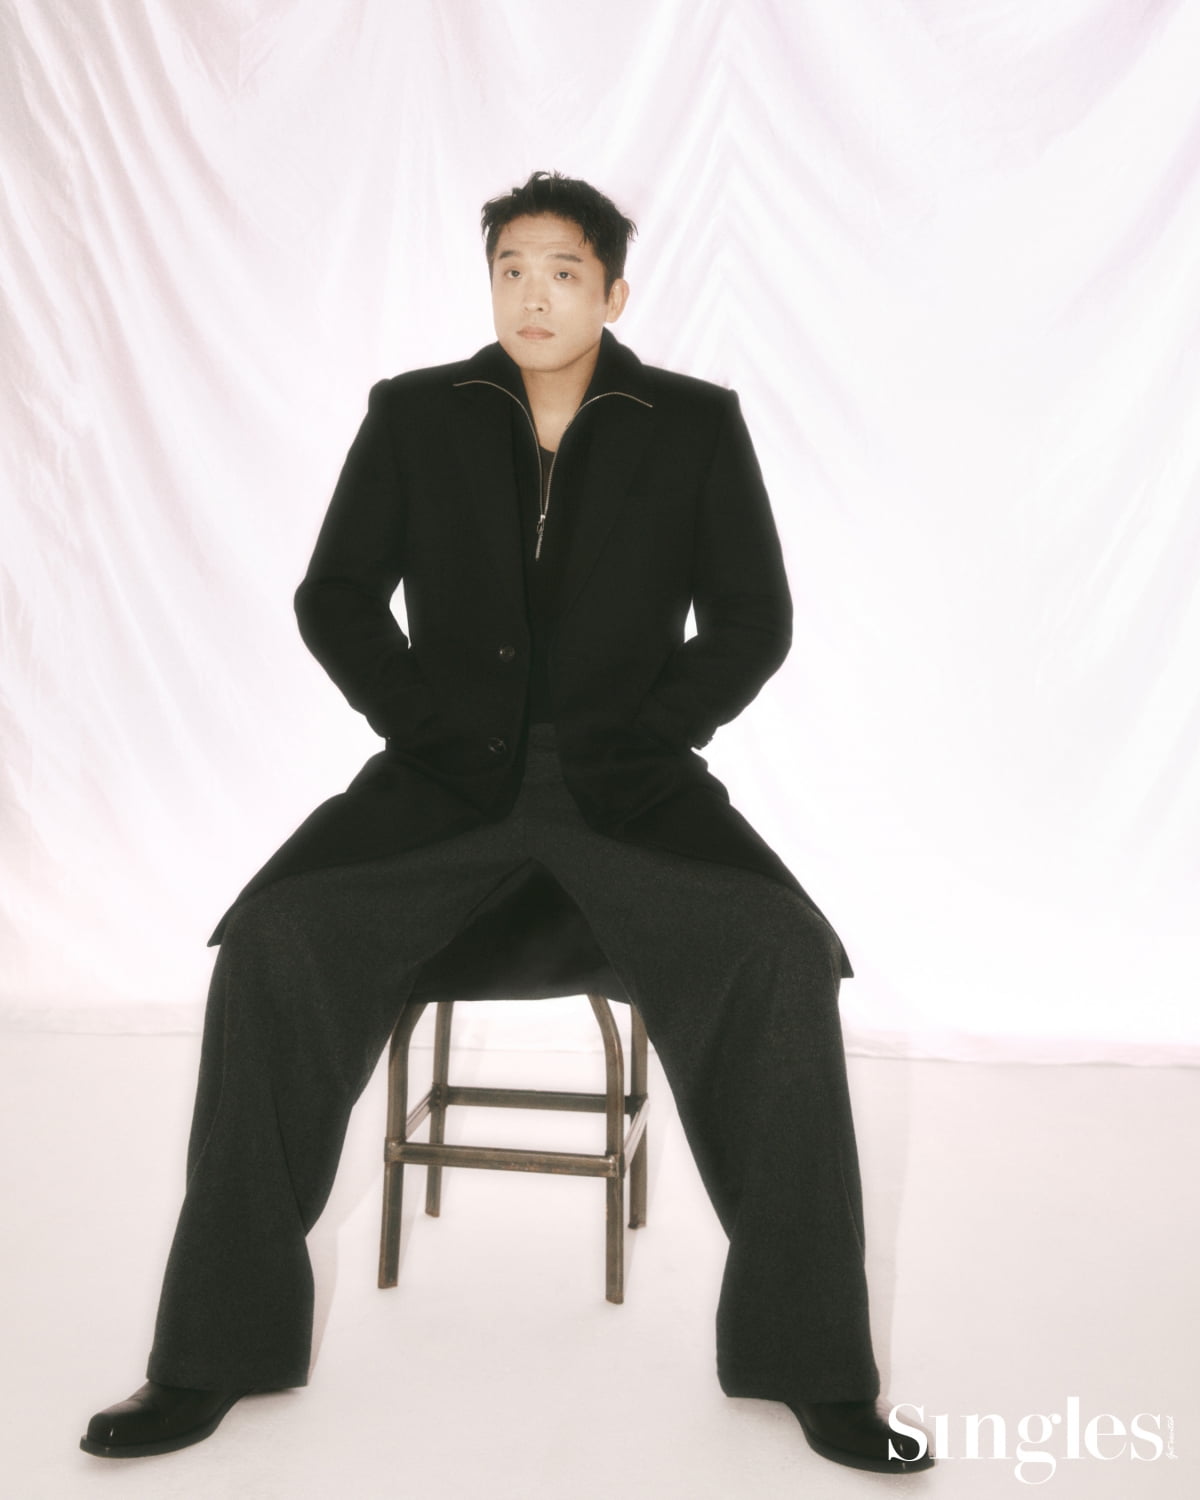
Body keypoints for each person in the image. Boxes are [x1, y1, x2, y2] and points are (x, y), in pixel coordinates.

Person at [79, 171, 931, 1476]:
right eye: (512, 270)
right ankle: (211, 1352)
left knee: (781, 950)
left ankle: (814, 1367)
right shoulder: (416, 413)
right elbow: (335, 595)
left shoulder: (694, 423)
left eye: (564, 272)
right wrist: (420, 724)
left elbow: (754, 619)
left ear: (614, 292)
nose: (534, 295)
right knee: (270, 941)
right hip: (442, 790)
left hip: (631, 794)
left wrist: (651, 732)